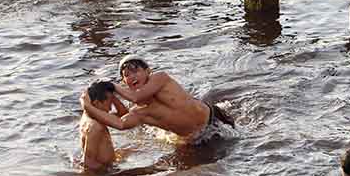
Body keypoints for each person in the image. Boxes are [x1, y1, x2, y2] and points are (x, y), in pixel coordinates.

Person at [80, 55, 234, 145]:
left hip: (214, 120)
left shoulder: (160, 78)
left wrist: (112, 85)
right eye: (126, 75)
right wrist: (87, 106)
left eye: (136, 71)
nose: (132, 76)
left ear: (148, 71)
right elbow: (120, 123)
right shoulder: (140, 111)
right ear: (124, 83)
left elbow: (136, 96)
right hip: (194, 141)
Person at [80, 80, 128, 170]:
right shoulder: (95, 127)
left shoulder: (91, 115)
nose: (110, 108)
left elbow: (123, 113)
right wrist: (113, 170)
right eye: (109, 103)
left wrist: (111, 94)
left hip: (107, 165)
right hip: (104, 173)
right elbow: (88, 162)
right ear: (97, 103)